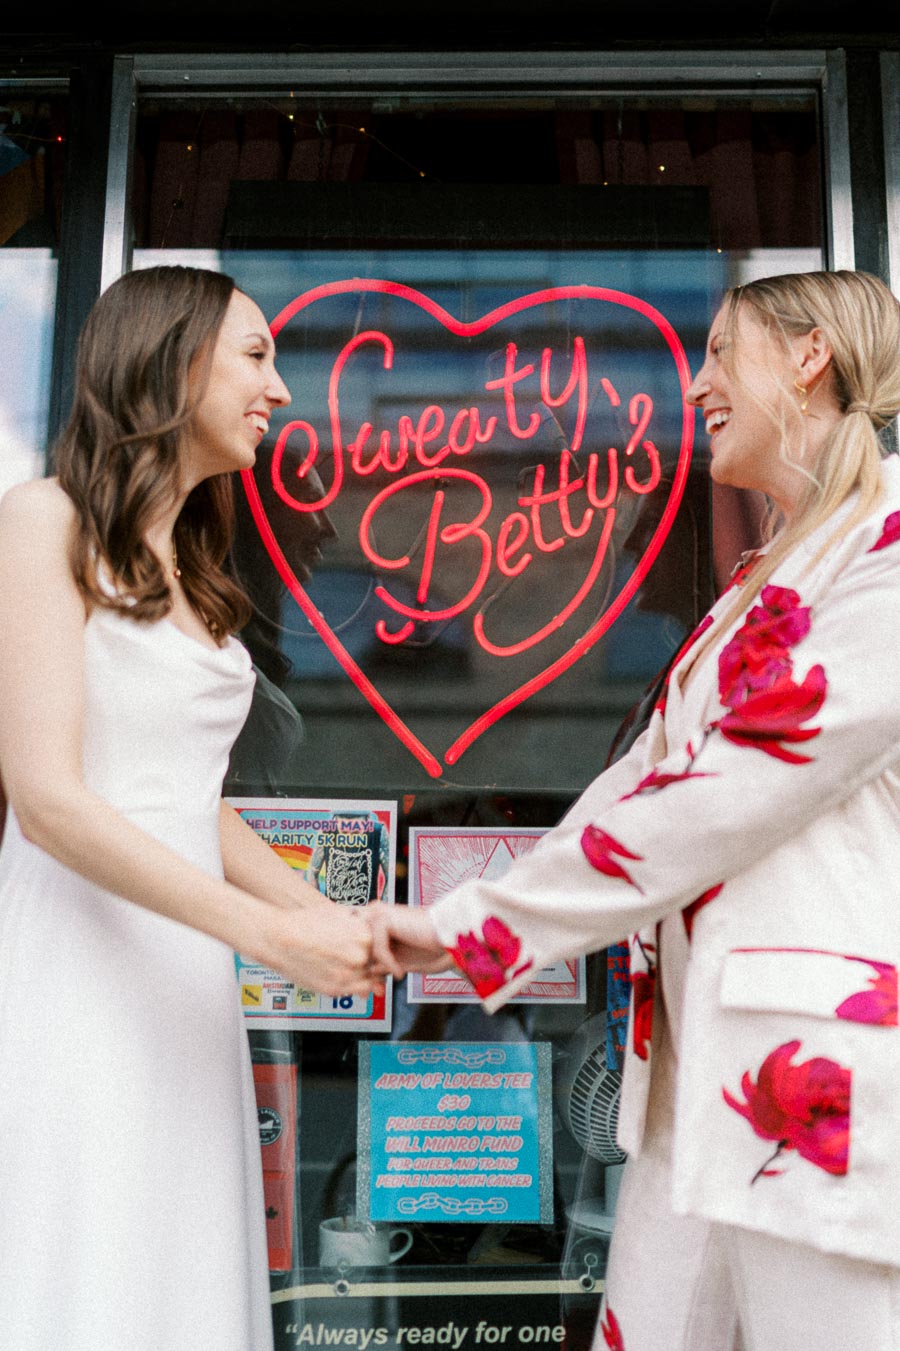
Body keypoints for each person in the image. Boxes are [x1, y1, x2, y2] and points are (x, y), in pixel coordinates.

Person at [369, 270, 900, 1351]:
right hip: (690, 1078)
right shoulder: (770, 568)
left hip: (807, 1080)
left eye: (718, 351)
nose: (697, 382)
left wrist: (474, 926)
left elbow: (735, 787)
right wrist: (449, 922)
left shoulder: (885, 551)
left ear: (810, 358)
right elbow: (635, 791)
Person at [0, 264, 380, 1351]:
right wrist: (267, 933)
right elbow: (48, 799)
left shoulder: (192, 560)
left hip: (183, 970)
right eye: (258, 356)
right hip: (77, 959)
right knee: (83, 1249)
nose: (282, 391)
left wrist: (339, 920)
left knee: (176, 1261)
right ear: (173, 361)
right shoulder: (42, 519)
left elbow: (189, 802)